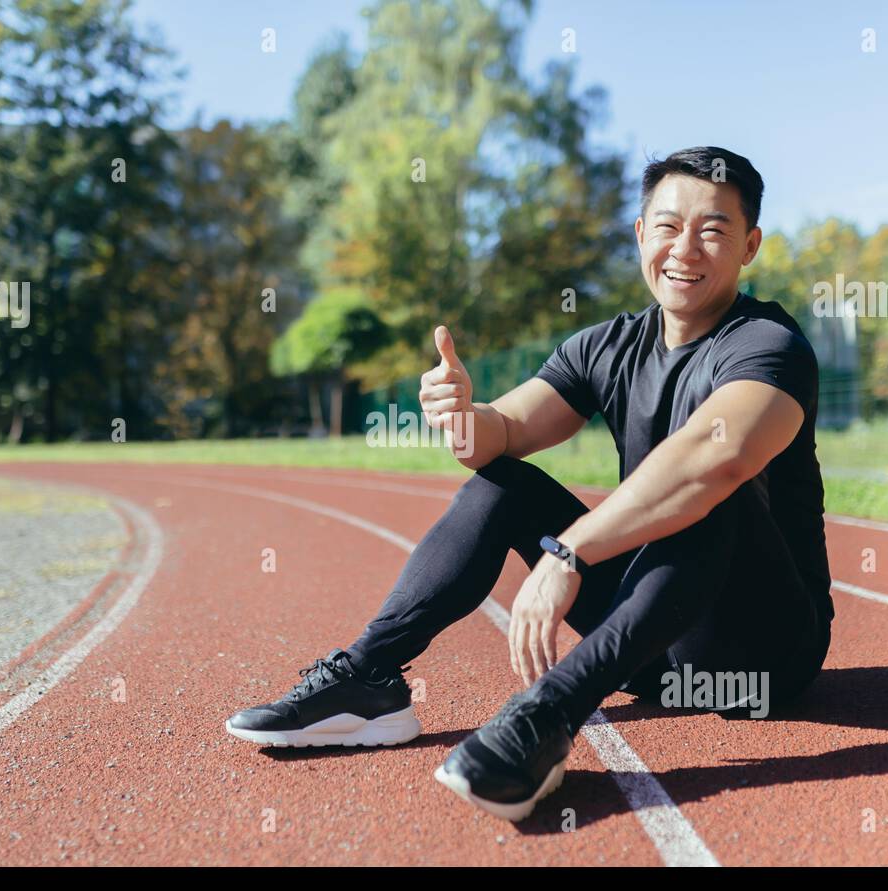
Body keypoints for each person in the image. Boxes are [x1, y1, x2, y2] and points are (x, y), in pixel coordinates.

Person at [225, 146, 835, 823]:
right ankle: (370, 678)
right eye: (666, 225)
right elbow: (505, 433)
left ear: (749, 246)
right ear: (640, 235)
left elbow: (714, 458)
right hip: (648, 649)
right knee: (503, 485)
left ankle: (545, 718)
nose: (684, 248)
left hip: (764, 654)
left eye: (713, 230)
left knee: (702, 494)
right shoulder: (607, 346)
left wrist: (569, 553)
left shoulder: (769, 346)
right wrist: (463, 415)